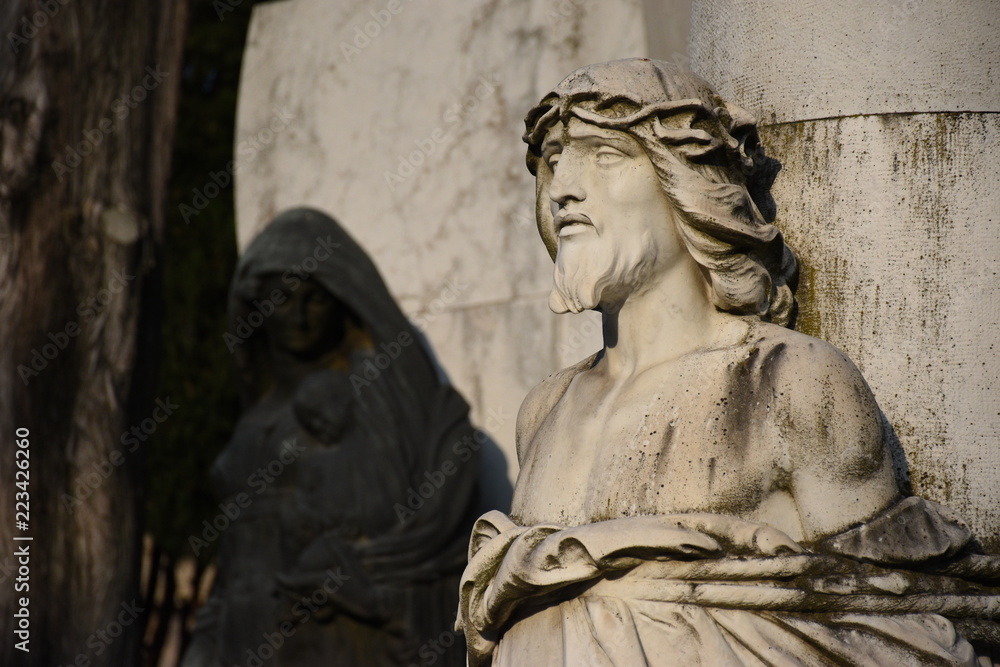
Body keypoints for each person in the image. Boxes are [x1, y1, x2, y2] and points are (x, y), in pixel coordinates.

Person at [457, 59, 1000, 666]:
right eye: (554, 160)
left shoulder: (791, 378)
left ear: (687, 182)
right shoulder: (546, 408)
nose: (563, 188)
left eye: (604, 155)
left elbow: (897, 617)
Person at [182, 208, 478, 666]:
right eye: (282, 299)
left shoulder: (367, 403)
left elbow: (401, 533)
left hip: (331, 642)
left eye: (315, 299)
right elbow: (234, 563)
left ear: (342, 300)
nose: (298, 316)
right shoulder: (251, 420)